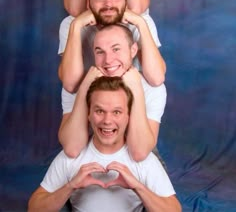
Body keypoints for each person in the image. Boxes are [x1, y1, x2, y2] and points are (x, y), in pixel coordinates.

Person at [28, 77, 181, 212]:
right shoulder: (69, 158)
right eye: (99, 111)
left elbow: (174, 209)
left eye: (116, 112)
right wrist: (71, 186)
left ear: (128, 117)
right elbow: (34, 208)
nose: (107, 121)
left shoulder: (145, 162)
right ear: (88, 114)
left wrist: (137, 186)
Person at [59, 24, 167, 161]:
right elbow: (71, 149)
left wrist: (137, 90)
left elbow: (139, 153)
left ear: (133, 50)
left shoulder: (152, 88)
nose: (108, 60)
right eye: (100, 52)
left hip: (137, 160)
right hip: (90, 155)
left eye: (116, 49)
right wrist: (85, 87)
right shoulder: (78, 83)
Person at [59, 0, 166, 93]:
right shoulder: (72, 24)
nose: (108, 3)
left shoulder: (140, 22)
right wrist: (76, 26)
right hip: (90, 98)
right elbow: (71, 85)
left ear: (125, 0)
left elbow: (156, 78)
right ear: (88, 2)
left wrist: (141, 23)